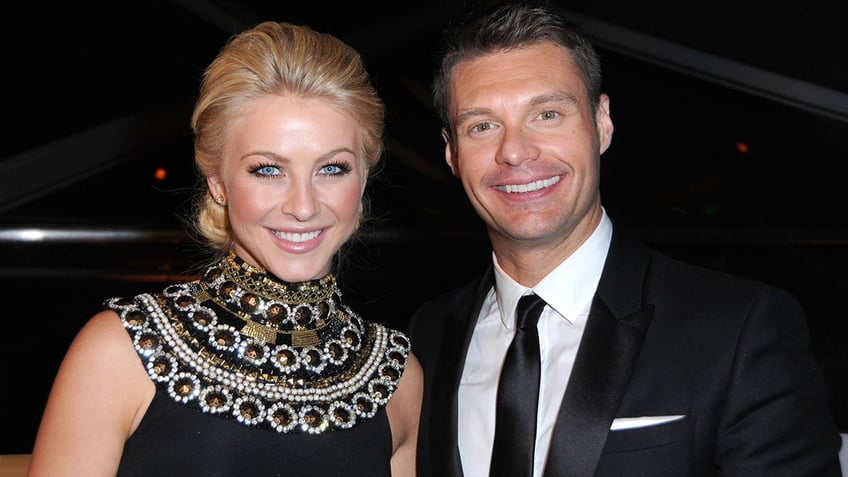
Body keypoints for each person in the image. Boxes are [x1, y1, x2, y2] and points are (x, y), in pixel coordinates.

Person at [408, 2, 842, 476]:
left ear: (602, 122)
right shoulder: (427, 336)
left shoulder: (739, 329)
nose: (514, 151)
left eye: (547, 113)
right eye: (483, 126)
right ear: (451, 152)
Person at [27, 20, 422, 477]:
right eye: (268, 170)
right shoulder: (120, 352)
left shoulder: (396, 375)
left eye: (332, 168)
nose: (303, 206)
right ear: (218, 183)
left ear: (364, 178)